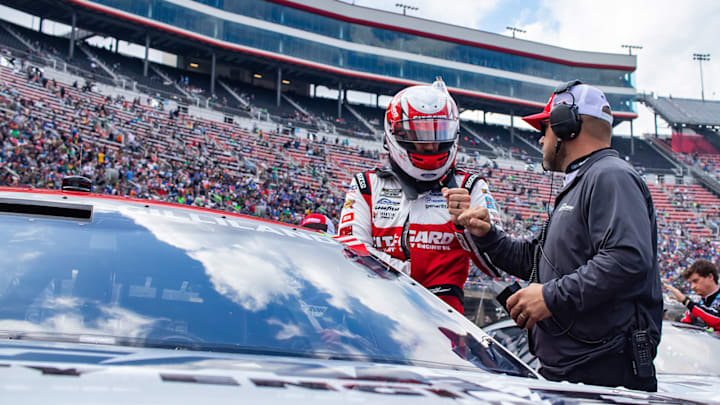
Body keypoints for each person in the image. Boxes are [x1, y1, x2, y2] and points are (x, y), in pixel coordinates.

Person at [443, 81, 662, 391]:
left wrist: (549, 297)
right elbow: (534, 260)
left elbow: (627, 259)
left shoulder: (610, 175)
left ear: (566, 126)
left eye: (544, 127)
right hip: (575, 373)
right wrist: (487, 234)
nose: (541, 137)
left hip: (604, 376)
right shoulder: (583, 181)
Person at [337, 77, 501, 314]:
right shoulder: (366, 185)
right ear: (394, 133)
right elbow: (350, 252)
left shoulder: (471, 186)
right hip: (374, 309)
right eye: (420, 134)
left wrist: (469, 230)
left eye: (439, 132)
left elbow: (496, 267)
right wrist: (411, 275)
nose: (431, 145)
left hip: (441, 318)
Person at [665, 260, 720, 329]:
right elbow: (684, 322)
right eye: (691, 283)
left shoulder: (696, 306)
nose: (692, 287)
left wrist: (686, 301)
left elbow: (716, 318)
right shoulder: (700, 303)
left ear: (710, 277)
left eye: (696, 281)